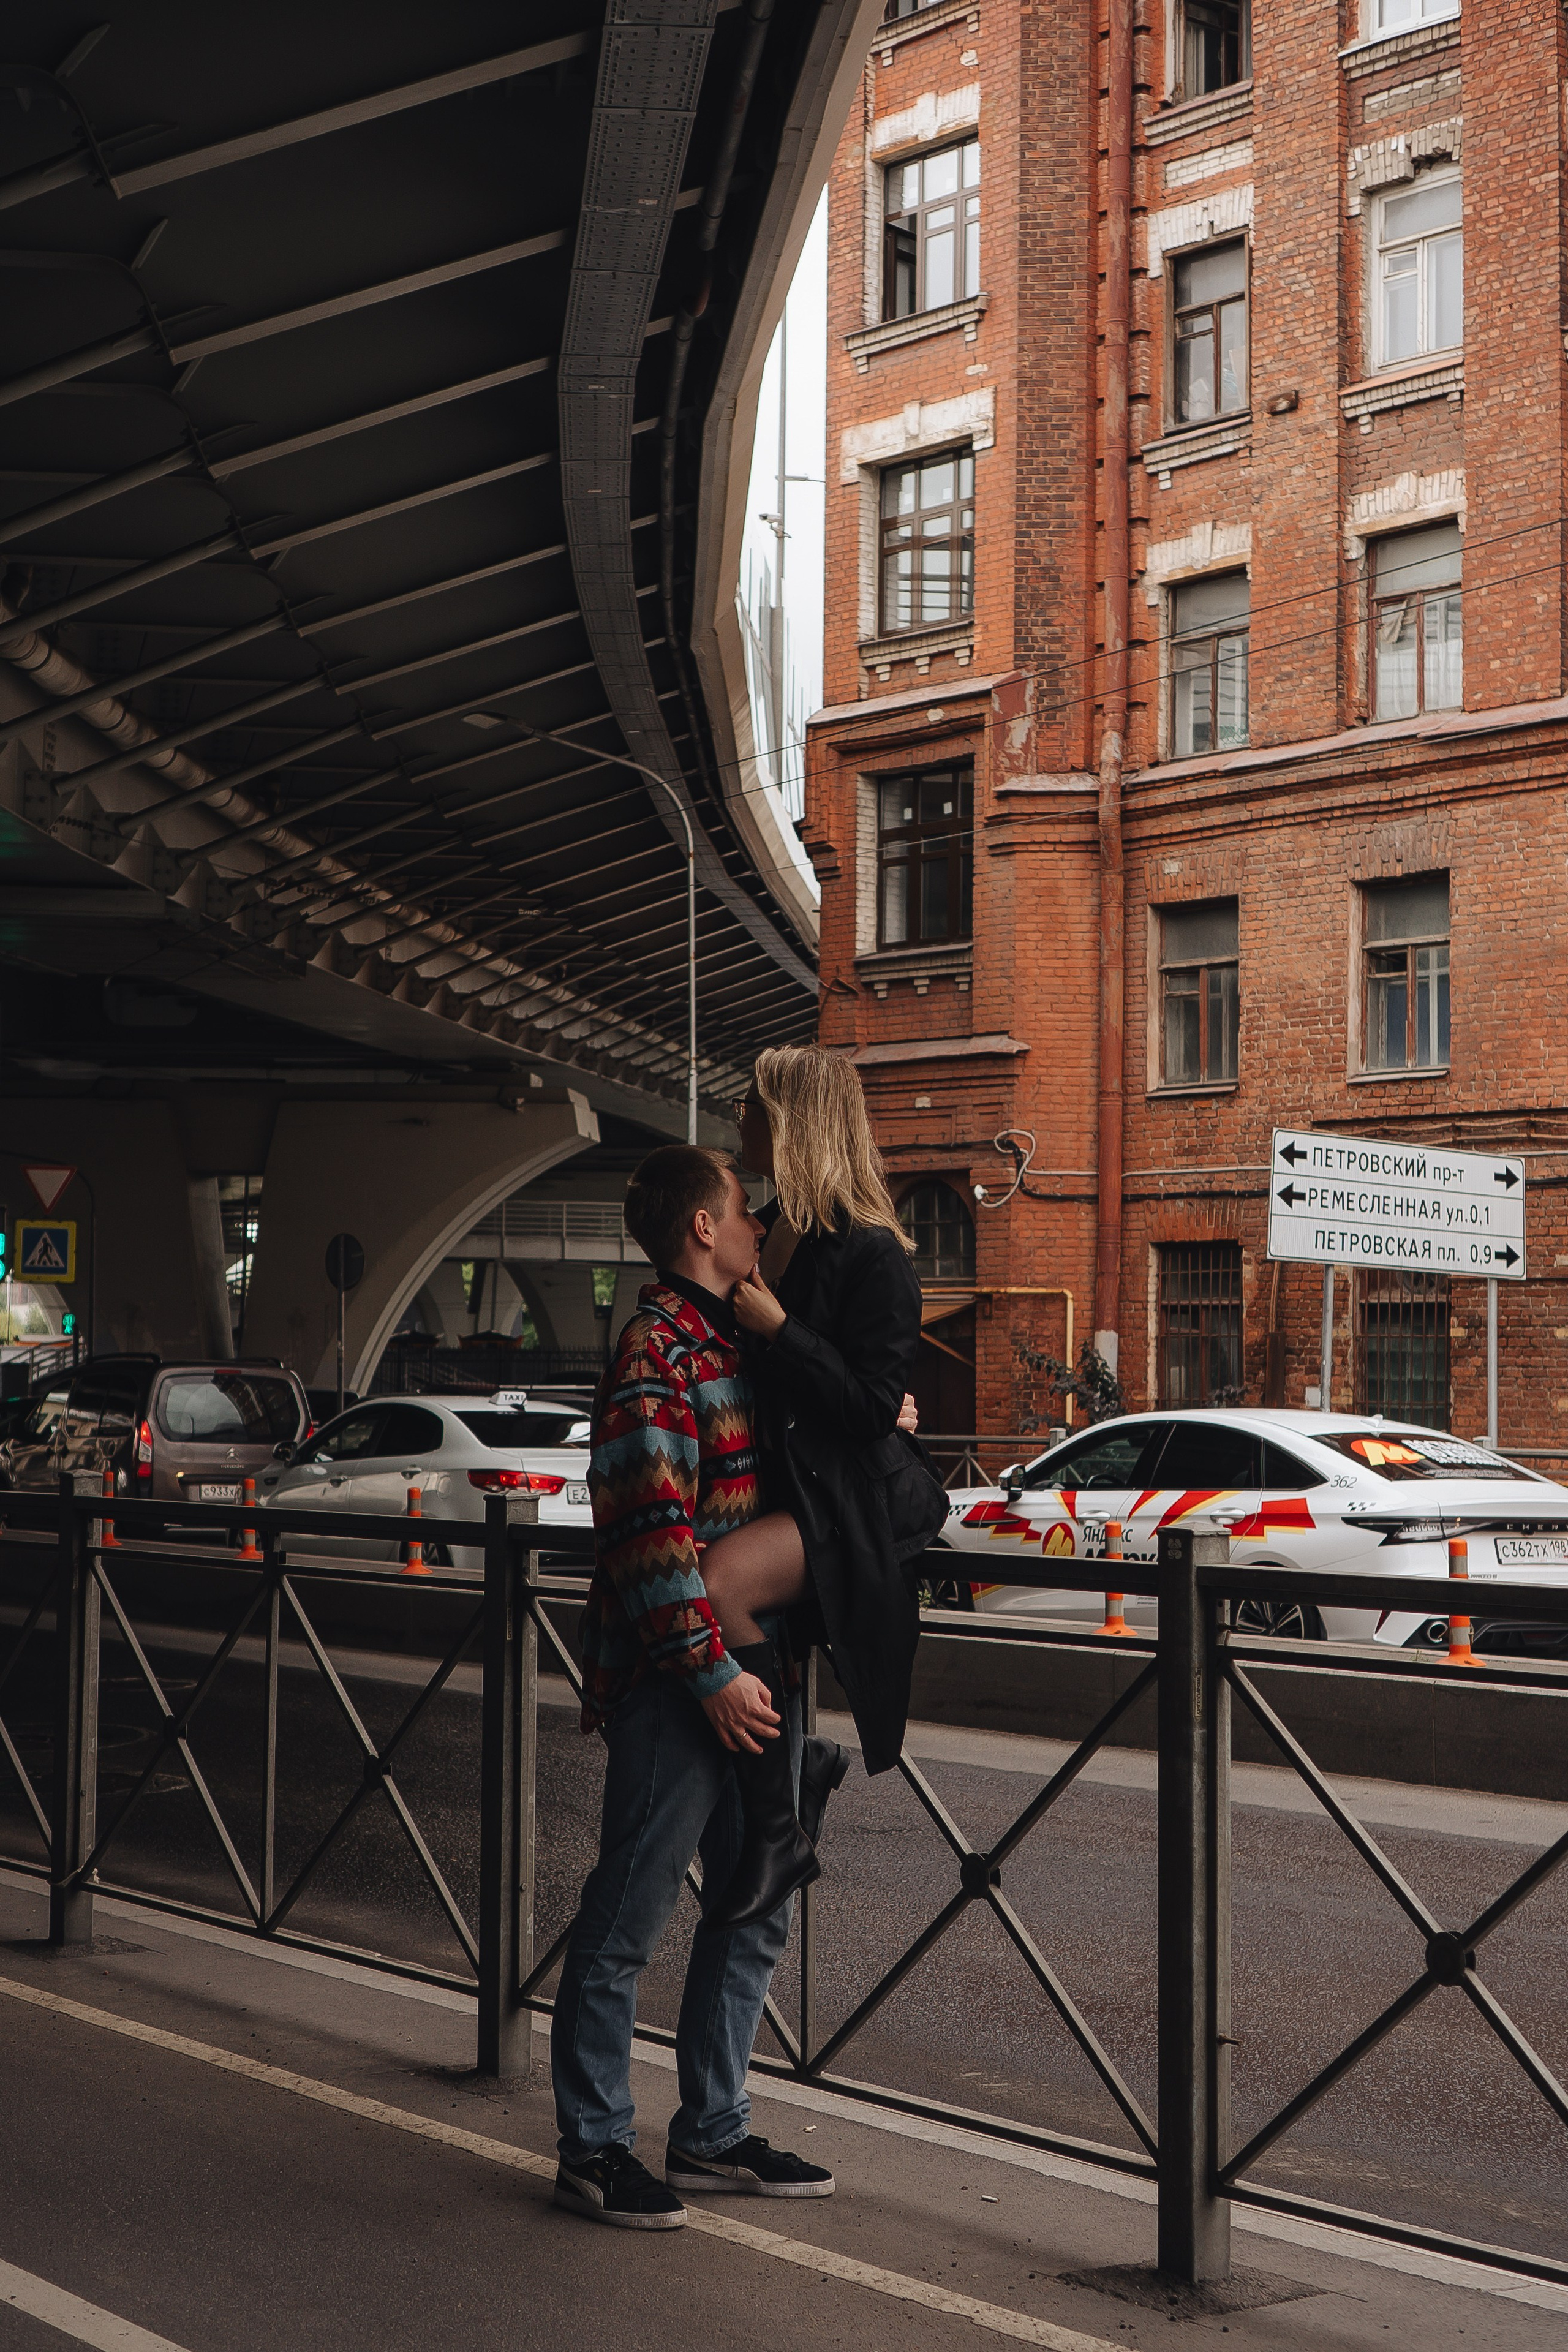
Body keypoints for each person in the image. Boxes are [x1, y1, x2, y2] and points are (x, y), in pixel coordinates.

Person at [551, 1142, 834, 2231]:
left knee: (753, 1904)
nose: (762, 1221)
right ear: (702, 1230)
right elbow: (645, 1534)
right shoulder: (653, 1351)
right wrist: (710, 1672)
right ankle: (593, 2146)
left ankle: (713, 2131)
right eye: (743, 1208)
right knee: (628, 1914)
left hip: (757, 1662)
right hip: (686, 1682)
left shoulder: (735, 1338)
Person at [695, 1042, 946, 1931]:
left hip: (852, 1504)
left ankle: (779, 1831)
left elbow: (875, 1406)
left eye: (755, 1106)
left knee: (721, 1582)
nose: (741, 1118)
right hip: (791, 1488)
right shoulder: (770, 1227)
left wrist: (780, 1326)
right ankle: (799, 1774)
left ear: (795, 1121)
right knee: (726, 1588)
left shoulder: (872, 1250)